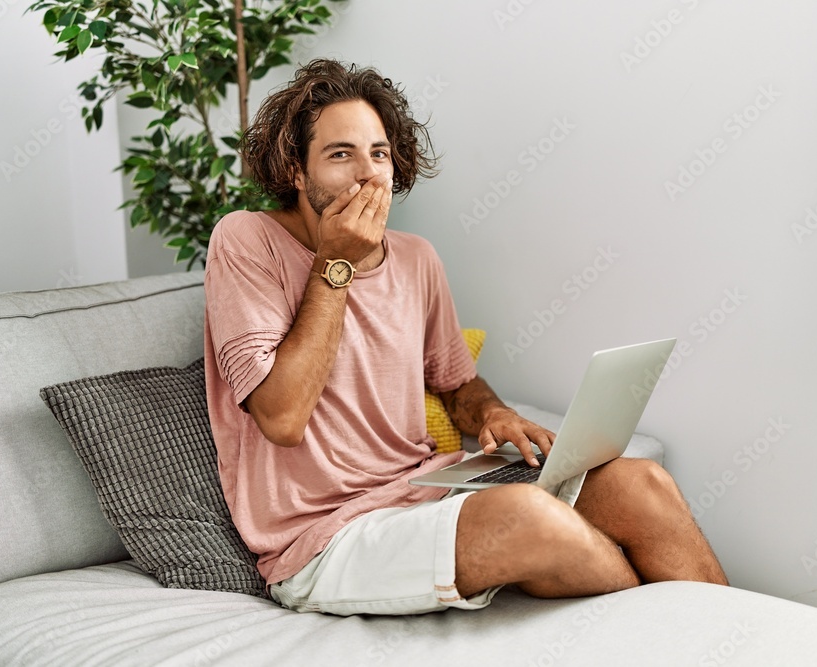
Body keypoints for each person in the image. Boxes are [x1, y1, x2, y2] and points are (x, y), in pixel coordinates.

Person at [203, 59, 728, 616]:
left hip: (428, 488)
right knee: (530, 517)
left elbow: (456, 385)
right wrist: (337, 263)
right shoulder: (245, 239)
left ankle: (734, 641)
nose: (367, 174)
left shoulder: (416, 258)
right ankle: (680, 635)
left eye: (378, 153)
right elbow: (281, 419)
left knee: (642, 483)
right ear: (294, 168)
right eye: (340, 154)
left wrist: (493, 415)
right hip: (326, 537)